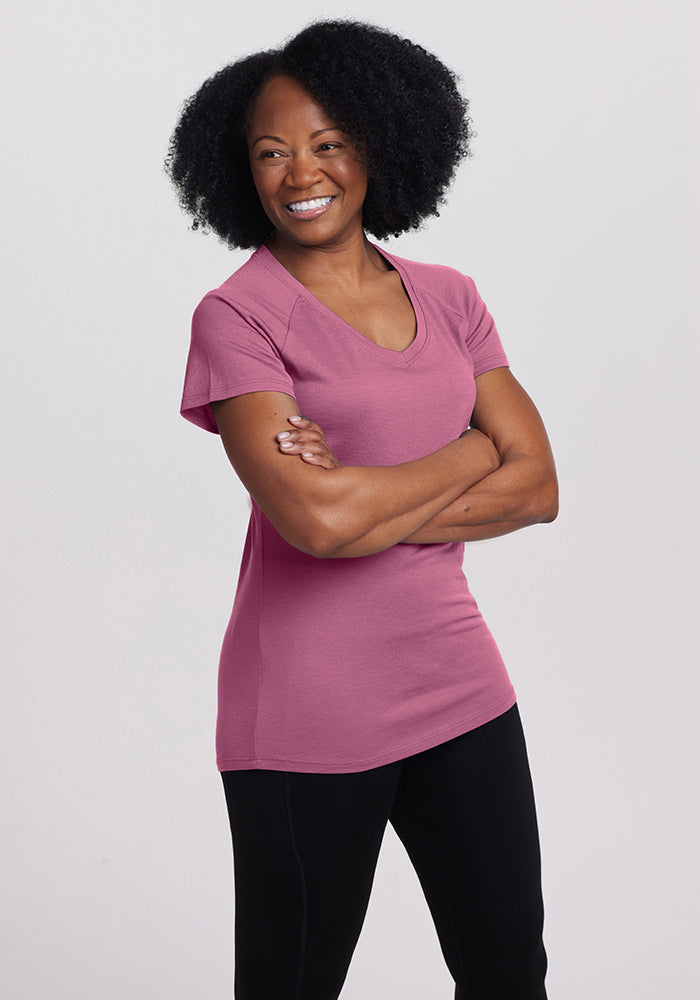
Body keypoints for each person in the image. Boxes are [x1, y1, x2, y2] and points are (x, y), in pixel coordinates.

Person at [166, 19, 558, 1000]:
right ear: (239, 169)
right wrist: (471, 449)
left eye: (328, 142)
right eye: (270, 151)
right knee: (293, 984)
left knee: (508, 968)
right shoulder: (239, 315)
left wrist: (363, 494)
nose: (300, 170)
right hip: (305, 702)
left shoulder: (451, 295)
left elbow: (538, 483)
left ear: (379, 143)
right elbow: (317, 523)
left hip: (459, 681)